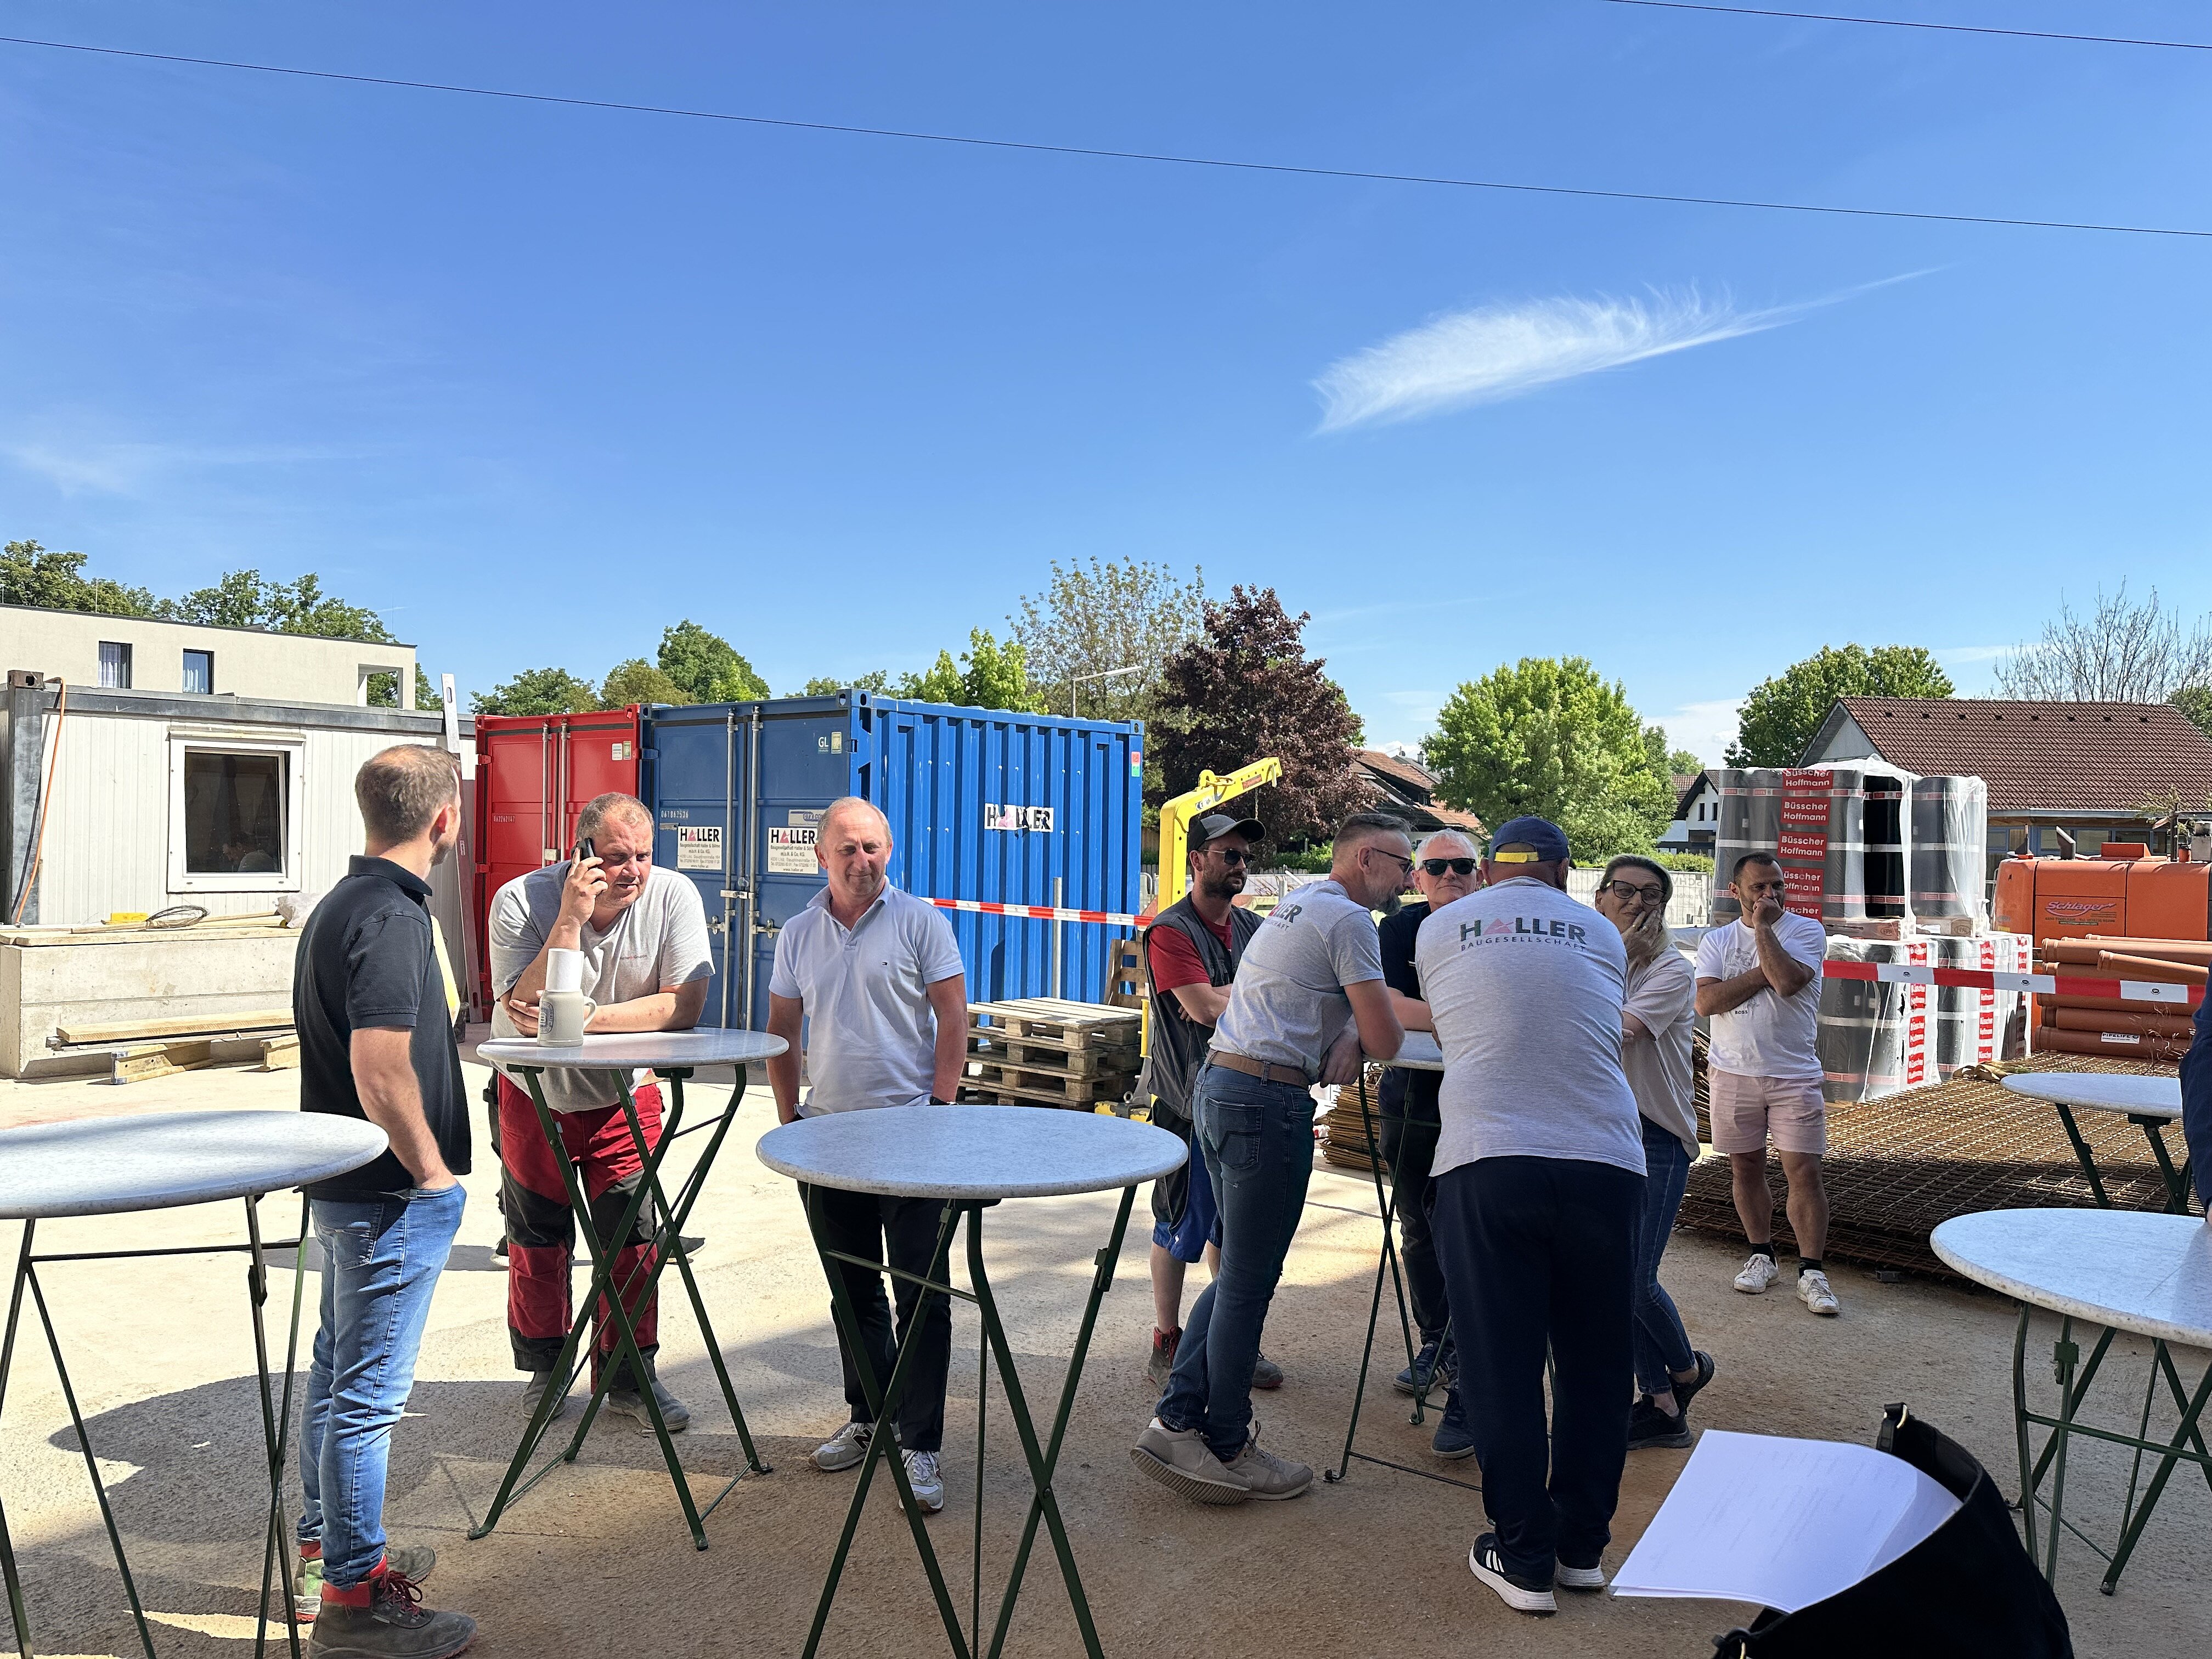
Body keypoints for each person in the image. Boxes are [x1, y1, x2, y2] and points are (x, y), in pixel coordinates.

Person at [1132, 811, 1421, 1506]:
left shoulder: (1301, 904)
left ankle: (1178, 1420)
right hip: (1266, 1100)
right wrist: (1362, 1031)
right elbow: (1385, 1038)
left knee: (1237, 1273)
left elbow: (1333, 1009)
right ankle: (1224, 1441)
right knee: (1249, 1281)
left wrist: (1349, 1029)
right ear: (1364, 859)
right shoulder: (1350, 920)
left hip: (1225, 1087)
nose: (1409, 879)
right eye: (1403, 863)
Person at [1419, 815, 1647, 1616]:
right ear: (1564, 872)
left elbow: (1464, 1017)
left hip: (1489, 1156)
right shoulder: (1602, 933)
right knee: (1596, 1363)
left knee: (1501, 1363)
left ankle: (1522, 1556)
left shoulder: (1441, 928)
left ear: (1487, 873)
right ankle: (1581, 1549)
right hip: (1605, 1158)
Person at [290, 745, 475, 1657]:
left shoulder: (341, 903)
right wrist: (433, 1173)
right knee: (366, 1397)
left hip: (346, 1191)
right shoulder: (394, 917)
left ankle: (326, 1551)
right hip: (388, 1197)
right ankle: (355, 1600)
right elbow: (380, 1066)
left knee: (336, 1377)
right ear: (444, 820)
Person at [766, 796, 968, 1514]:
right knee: (851, 1291)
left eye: (873, 847)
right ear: (821, 856)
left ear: (890, 851)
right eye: (848, 848)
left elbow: (953, 1016)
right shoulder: (798, 933)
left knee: (922, 1294)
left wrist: (941, 1109)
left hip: (911, 1132)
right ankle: (870, 1416)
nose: (863, 861)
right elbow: (783, 1028)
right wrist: (788, 1118)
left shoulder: (920, 922)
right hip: (827, 1139)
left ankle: (921, 1442)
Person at [487, 792, 713, 1430]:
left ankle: (630, 1379)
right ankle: (546, 1370)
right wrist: (569, 921)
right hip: (534, 1094)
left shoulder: (673, 897)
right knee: (537, 1240)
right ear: (581, 852)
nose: (633, 871)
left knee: (635, 1243)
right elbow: (521, 1006)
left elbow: (684, 1006)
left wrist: (584, 1019)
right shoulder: (520, 901)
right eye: (616, 857)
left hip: (623, 1094)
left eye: (643, 855)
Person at [1139, 811, 1289, 1395]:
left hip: (1242, 1098)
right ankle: (1168, 1338)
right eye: (1229, 855)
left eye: (1245, 857)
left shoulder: (1256, 928)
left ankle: (1233, 1340)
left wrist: (1230, 994)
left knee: (1233, 1229)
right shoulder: (1170, 931)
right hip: (1184, 1101)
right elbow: (1202, 1009)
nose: (1240, 865)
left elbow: (1285, 992)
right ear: (1197, 860)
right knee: (1180, 1224)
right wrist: (1250, 994)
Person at [1591, 855, 1716, 1452]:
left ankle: (1687, 1371)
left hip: (1656, 1136)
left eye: (1650, 895)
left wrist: (1617, 955)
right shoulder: (1591, 955)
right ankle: (1662, 1405)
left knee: (1633, 1280)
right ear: (1600, 897)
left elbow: (1610, 1029)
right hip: (1602, 1133)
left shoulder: (1671, 969)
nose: (1636, 903)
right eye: (1624, 890)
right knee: (1615, 1276)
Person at [1695, 851, 1839, 1316]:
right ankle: (1762, 1254)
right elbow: (1706, 1003)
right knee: (1745, 1168)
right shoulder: (1716, 940)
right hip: (1733, 1071)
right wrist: (1761, 974)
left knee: (1805, 1171)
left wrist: (1762, 929)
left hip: (1793, 1073)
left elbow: (1789, 982)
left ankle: (1812, 1270)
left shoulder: (1806, 931)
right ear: (1735, 890)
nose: (1770, 894)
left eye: (1777, 885)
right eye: (1758, 887)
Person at [1374, 828, 1480, 1460]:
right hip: (1413, 1098)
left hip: (1484, 1102)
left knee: (1474, 1230)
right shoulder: (1398, 930)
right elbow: (1388, 1003)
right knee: (1417, 1224)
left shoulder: (1498, 927)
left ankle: (1473, 1355)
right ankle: (1436, 1342)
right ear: (1416, 878)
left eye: (1462, 865)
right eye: (1436, 867)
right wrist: (1467, 1019)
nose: (1450, 876)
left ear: (1481, 873)